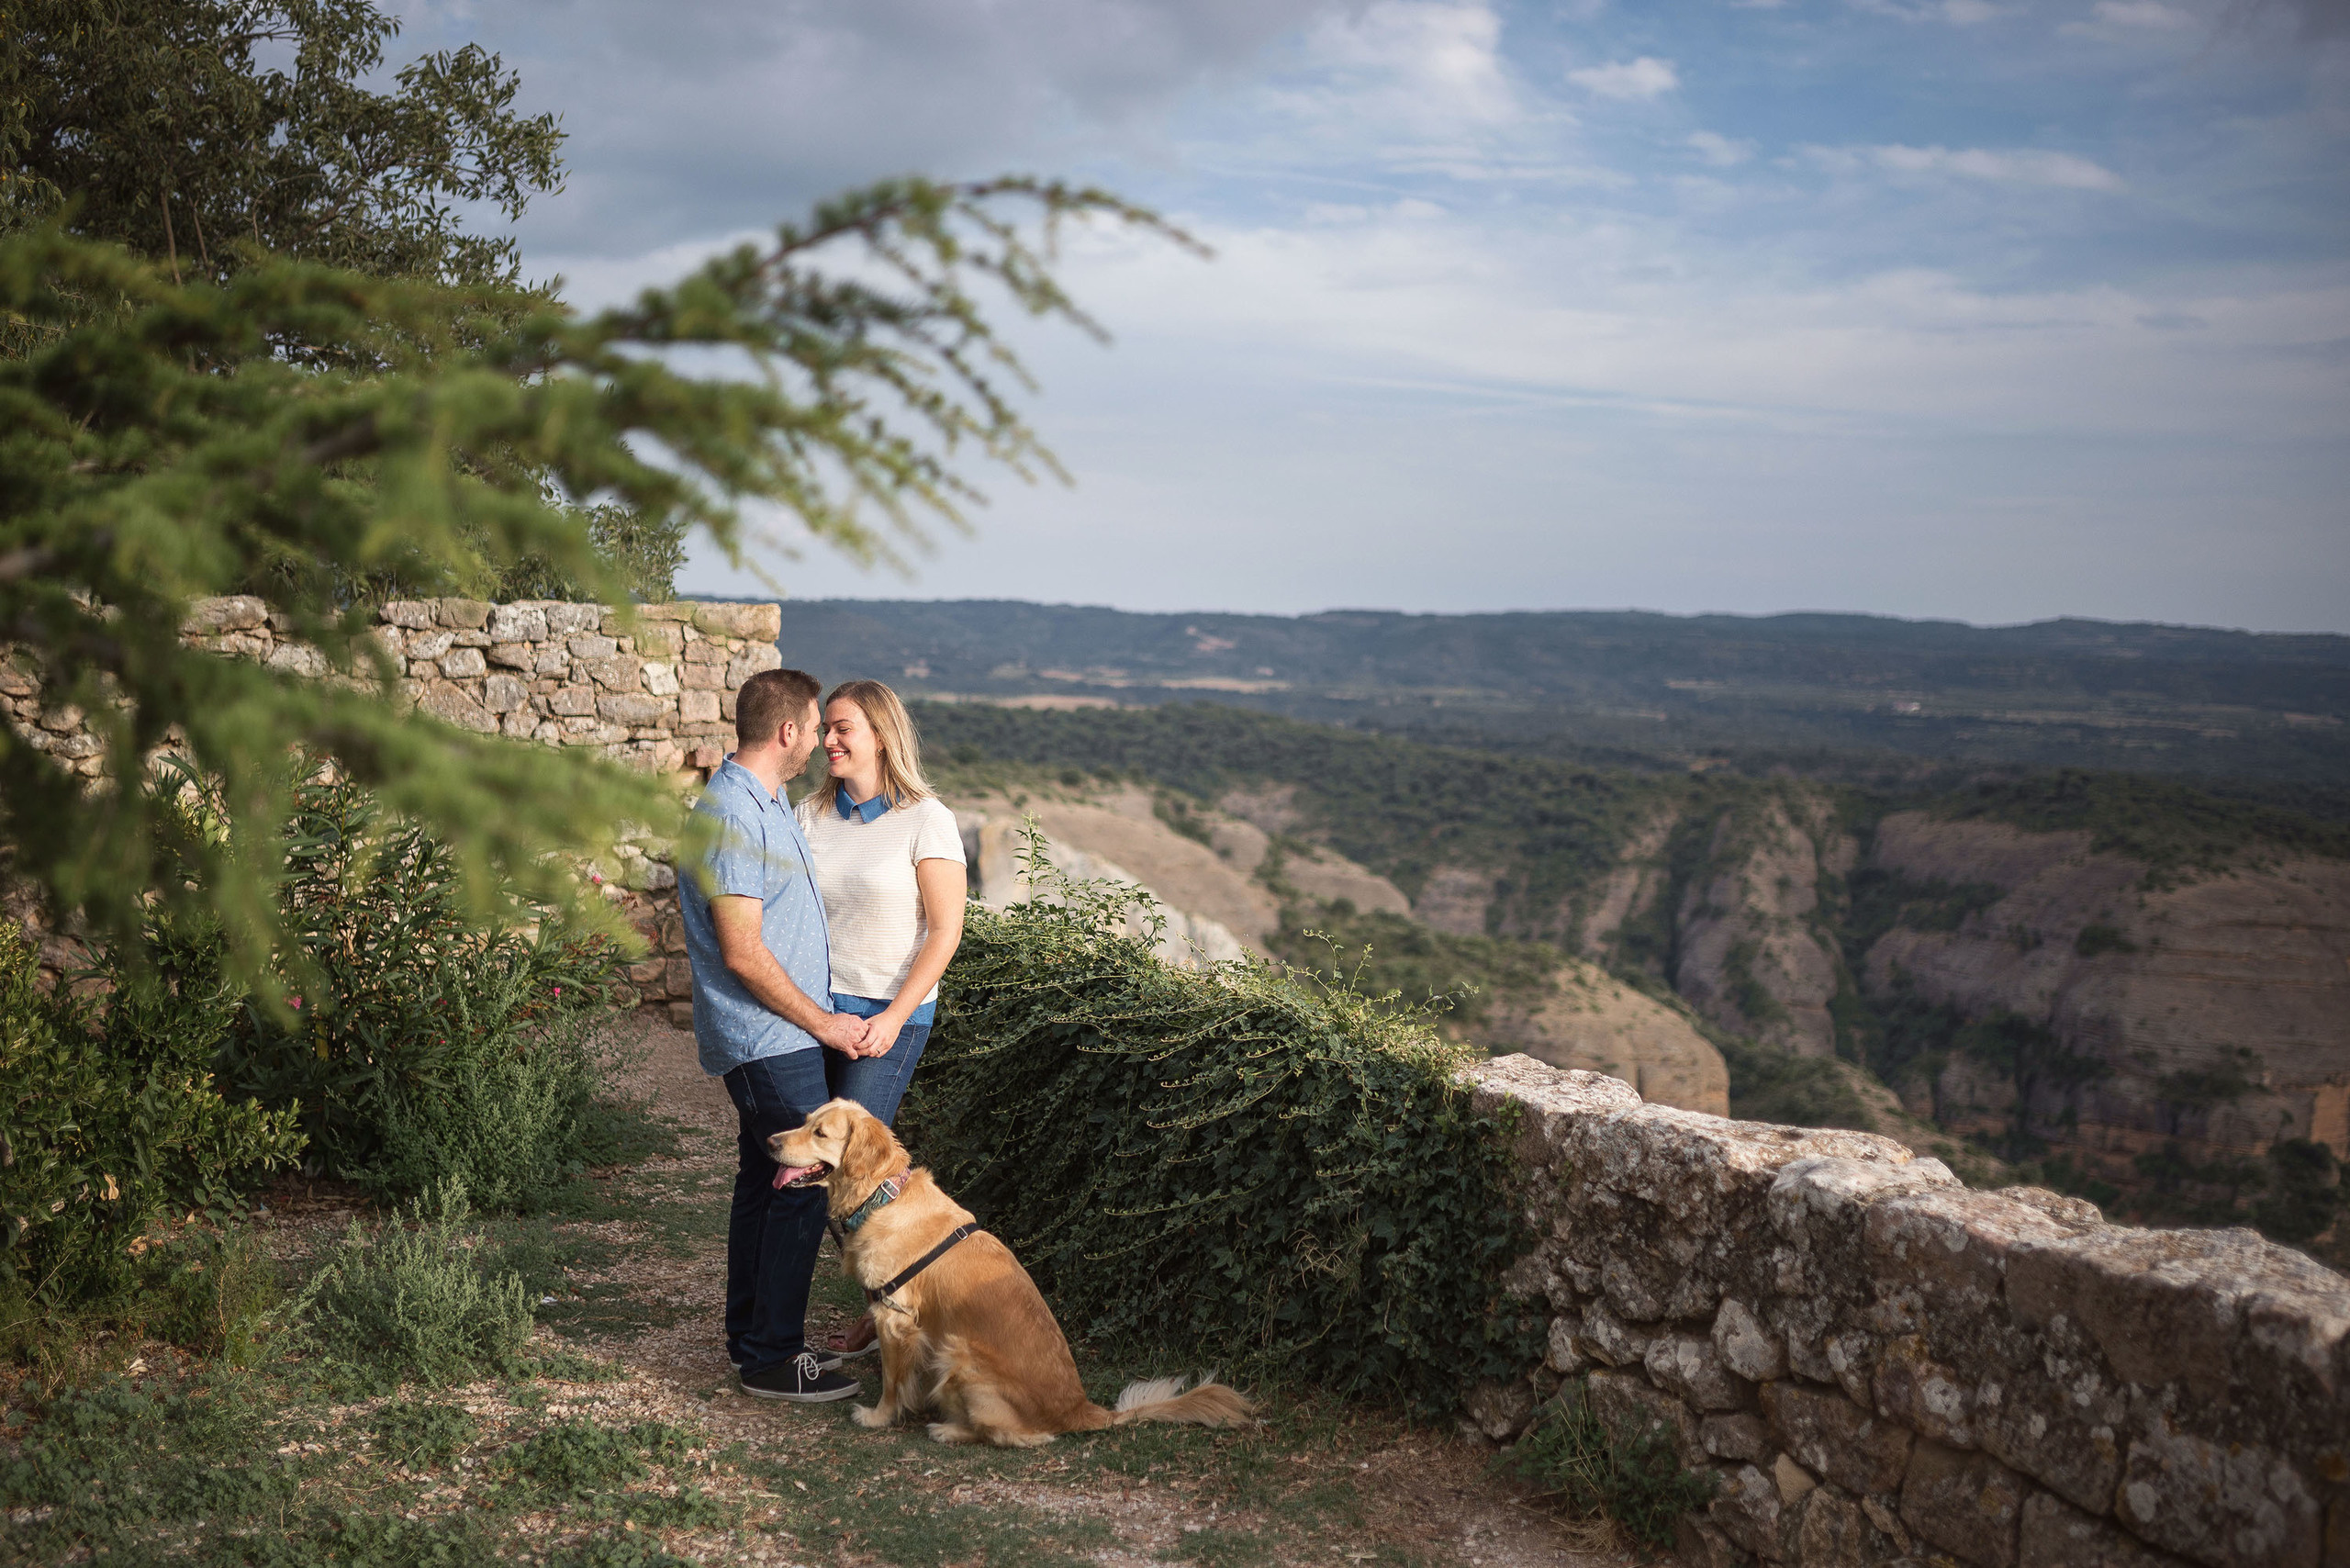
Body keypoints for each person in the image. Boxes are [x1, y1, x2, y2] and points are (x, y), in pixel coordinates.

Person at [677, 666, 868, 1403]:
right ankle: (773, 1358)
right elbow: (743, 949)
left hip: (781, 1032)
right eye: (818, 728)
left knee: (764, 1178)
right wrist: (823, 1022)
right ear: (788, 732)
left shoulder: (768, 802)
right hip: (766, 1036)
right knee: (798, 1185)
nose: (821, 741)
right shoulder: (732, 814)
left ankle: (748, 1340)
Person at [793, 678, 968, 1359]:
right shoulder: (808, 814)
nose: (828, 741)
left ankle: (885, 1315)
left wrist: (895, 1016)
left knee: (866, 1176)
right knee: (813, 1170)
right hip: (814, 1013)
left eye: (843, 729)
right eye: (825, 730)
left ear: (881, 737)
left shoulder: (928, 819)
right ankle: (875, 1306)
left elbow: (946, 931)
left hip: (885, 1019)